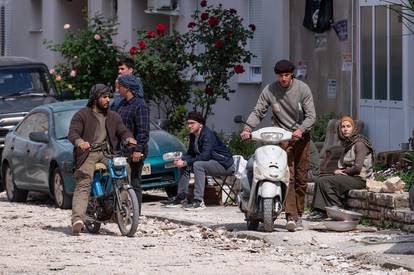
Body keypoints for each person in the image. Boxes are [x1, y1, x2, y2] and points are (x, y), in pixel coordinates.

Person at [240, 59, 316, 232]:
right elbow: (258, 110)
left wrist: (300, 129)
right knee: (286, 174)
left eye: (287, 75)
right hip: (280, 137)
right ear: (277, 75)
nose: (283, 79)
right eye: (280, 75)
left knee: (301, 178)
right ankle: (291, 216)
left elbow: (311, 116)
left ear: (292, 75)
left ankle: (299, 214)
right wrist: (247, 128)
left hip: (300, 136)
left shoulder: (302, 89)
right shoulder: (270, 90)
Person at [68, 84, 137, 235]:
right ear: (95, 99)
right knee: (84, 180)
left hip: (107, 152)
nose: (108, 100)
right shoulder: (82, 115)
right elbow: (73, 133)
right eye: (104, 97)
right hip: (88, 153)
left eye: (108, 97)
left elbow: (122, 130)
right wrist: (80, 142)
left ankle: (120, 207)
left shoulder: (113, 116)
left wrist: (129, 138)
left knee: (124, 168)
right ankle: (78, 219)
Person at [165, 111, 234, 211]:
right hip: (210, 163)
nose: (189, 126)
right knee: (184, 164)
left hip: (224, 164)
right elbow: (191, 154)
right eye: (188, 123)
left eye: (192, 123)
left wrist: (186, 162)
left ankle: (199, 201)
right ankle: (181, 198)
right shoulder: (193, 135)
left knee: (198, 164)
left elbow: (205, 156)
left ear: (200, 124)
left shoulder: (208, 135)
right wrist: (181, 160)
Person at [311, 116, 374, 218]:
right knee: (320, 179)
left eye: (348, 126)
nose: (345, 129)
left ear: (353, 128)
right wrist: (338, 171)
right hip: (350, 176)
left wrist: (344, 172)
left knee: (325, 181)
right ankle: (320, 210)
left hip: (360, 178)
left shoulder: (359, 144)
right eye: (343, 127)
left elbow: (357, 168)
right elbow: (346, 164)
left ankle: (338, 208)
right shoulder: (348, 143)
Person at [115, 74, 150, 215]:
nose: (118, 89)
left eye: (120, 86)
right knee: (121, 181)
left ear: (128, 88)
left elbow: (143, 130)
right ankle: (122, 210)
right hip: (122, 150)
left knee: (134, 182)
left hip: (135, 151)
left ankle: (135, 213)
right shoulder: (122, 104)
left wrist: (138, 150)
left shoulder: (140, 105)